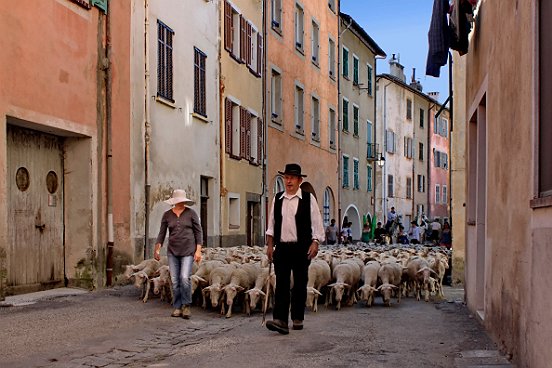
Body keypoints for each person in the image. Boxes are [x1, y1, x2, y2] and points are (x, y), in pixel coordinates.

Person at [265, 163, 325, 335]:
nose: (288, 181)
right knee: (282, 283)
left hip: (301, 247)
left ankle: (297, 317)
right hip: (282, 247)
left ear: (299, 180)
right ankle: (280, 319)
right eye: (286, 177)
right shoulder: (277, 199)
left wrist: (315, 242)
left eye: (292, 178)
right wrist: (270, 245)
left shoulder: (308, 199)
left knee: (299, 283)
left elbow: (316, 222)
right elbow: (272, 224)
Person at [154, 189, 203, 319]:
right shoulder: (167, 215)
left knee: (184, 278)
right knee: (175, 280)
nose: (181, 203)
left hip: (188, 250)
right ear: (174, 202)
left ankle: (186, 306)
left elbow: (198, 232)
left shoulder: (191, 213)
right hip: (173, 251)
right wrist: (158, 248)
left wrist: (198, 250)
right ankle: (177, 306)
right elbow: (162, 233)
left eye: (182, 201)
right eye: (178, 201)